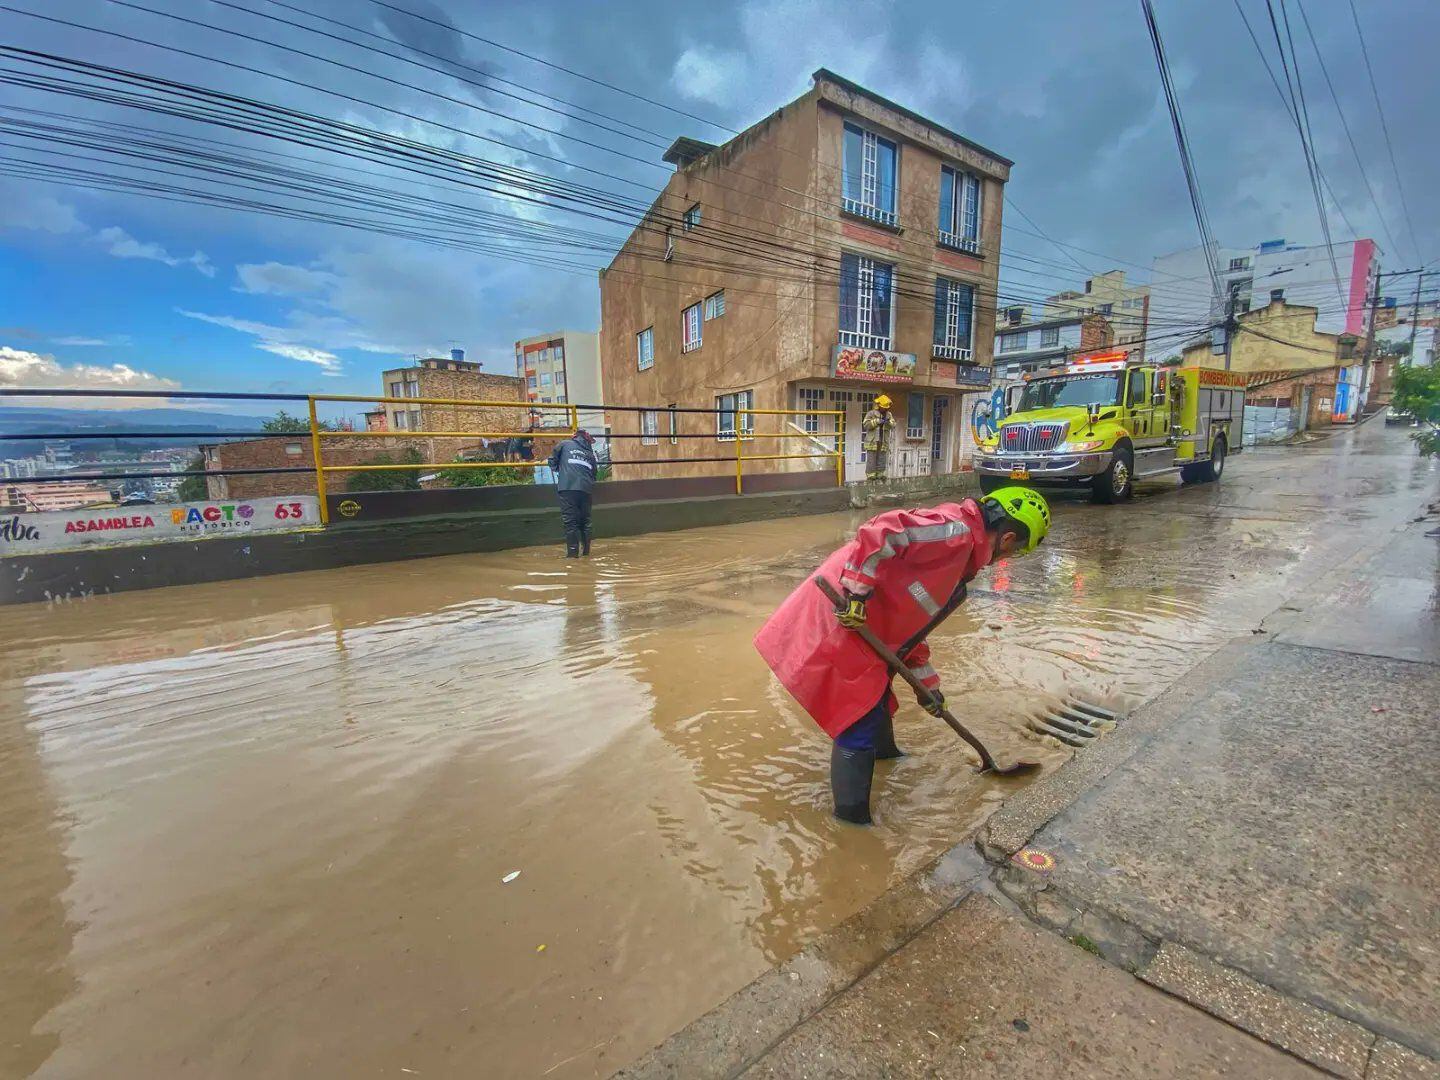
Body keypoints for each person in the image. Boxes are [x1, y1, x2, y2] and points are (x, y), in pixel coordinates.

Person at [754, 487, 1051, 824]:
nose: (1002, 561)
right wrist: (856, 593)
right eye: (1010, 555)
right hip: (845, 615)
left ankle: (888, 759)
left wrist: (929, 689)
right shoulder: (955, 530)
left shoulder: (958, 570)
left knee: (877, 696)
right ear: (1008, 539)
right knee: (858, 719)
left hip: (870, 628)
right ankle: (852, 828)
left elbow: (911, 632)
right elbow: (883, 531)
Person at [548, 428, 598, 557]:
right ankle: (586, 553)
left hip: (568, 487)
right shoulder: (590, 454)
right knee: (586, 521)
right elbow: (594, 475)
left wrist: (558, 469)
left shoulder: (564, 444)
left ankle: (572, 555)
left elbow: (552, 459)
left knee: (570, 521)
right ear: (587, 440)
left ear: (574, 436)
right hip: (586, 489)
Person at [862, 394, 896, 479]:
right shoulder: (871, 413)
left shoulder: (889, 415)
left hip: (883, 440)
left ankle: (880, 474)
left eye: (886, 407)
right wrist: (876, 421)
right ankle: (871, 476)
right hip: (872, 441)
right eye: (884, 407)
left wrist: (888, 422)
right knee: (871, 459)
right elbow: (865, 425)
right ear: (879, 406)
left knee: (882, 458)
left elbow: (893, 425)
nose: (886, 409)